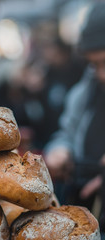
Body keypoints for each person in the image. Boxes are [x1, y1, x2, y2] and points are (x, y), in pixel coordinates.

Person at [44, 2, 105, 233]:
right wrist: (60, 150)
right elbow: (66, 133)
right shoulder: (85, 91)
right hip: (83, 206)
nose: (101, 74)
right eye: (95, 64)